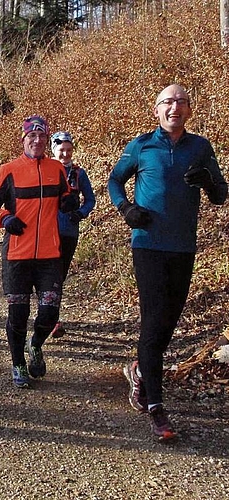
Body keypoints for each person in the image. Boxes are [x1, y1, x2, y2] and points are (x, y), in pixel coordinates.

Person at [108, 84, 227, 441]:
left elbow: (221, 195)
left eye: (181, 102)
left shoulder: (200, 147)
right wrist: (126, 208)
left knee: (168, 322)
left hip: (183, 246)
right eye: (167, 102)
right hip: (147, 243)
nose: (174, 107)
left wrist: (207, 181)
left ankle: (141, 370)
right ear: (156, 110)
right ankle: (157, 409)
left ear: (189, 110)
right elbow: (115, 180)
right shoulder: (141, 145)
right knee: (154, 318)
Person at [0, 115, 76, 389]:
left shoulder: (56, 169)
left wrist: (69, 201)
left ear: (47, 140)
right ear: (23, 140)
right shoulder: (8, 170)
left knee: (50, 312)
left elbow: (66, 195)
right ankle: (18, 362)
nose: (36, 141)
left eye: (41, 137)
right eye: (31, 137)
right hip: (17, 255)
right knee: (18, 314)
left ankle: (35, 344)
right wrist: (4, 219)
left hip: (49, 254)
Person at [49, 131, 96, 338]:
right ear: (53, 150)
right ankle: (50, 318)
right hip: (46, 231)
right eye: (61, 150)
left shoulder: (78, 173)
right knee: (47, 275)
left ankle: (52, 317)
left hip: (68, 231)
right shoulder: (44, 169)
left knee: (59, 276)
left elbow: (90, 200)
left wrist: (80, 213)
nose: (65, 154)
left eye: (69, 150)